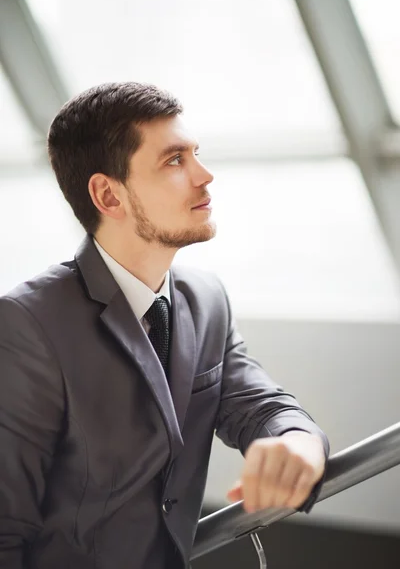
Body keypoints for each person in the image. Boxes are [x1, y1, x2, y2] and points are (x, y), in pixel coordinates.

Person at [0, 82, 329, 569]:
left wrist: (296, 442)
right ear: (108, 195)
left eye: (196, 154)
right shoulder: (27, 324)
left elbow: (262, 407)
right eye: (175, 160)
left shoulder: (206, 299)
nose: (204, 174)